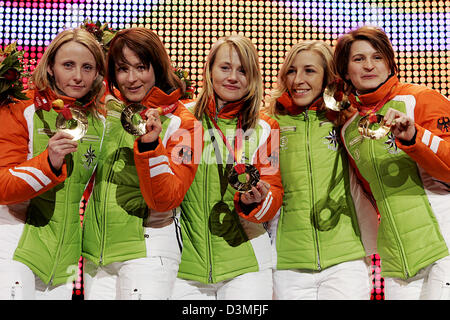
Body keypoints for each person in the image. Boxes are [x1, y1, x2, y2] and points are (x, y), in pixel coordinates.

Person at [81, 27, 201, 300]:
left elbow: (166, 198)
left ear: (157, 68)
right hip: (96, 255)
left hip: (148, 253)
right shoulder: (107, 116)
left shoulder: (183, 124)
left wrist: (150, 146)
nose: (132, 79)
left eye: (141, 67)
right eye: (123, 69)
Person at [334, 25, 450, 299]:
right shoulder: (350, 130)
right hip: (398, 259)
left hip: (444, 246)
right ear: (346, 70)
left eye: (377, 57)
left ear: (389, 61)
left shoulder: (421, 99)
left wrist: (414, 137)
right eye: (358, 59)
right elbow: (370, 195)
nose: (369, 66)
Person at [171, 34, 283, 300]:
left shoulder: (266, 127)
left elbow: (274, 193)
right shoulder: (180, 120)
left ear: (253, 77)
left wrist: (260, 199)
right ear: (209, 71)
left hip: (247, 265)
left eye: (243, 70)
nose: (233, 77)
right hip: (183, 266)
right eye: (225, 68)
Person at [265, 40, 377, 300]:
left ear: (328, 76)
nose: (298, 80)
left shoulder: (347, 121)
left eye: (309, 71)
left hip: (346, 258)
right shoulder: (269, 123)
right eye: (291, 71)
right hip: (288, 263)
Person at [0, 28, 106, 299]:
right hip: (14, 243)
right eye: (68, 65)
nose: (78, 76)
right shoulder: (19, 108)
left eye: (87, 67)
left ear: (97, 74)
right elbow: (2, 185)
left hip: (65, 255)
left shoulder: (101, 122)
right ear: (50, 68)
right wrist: (49, 161)